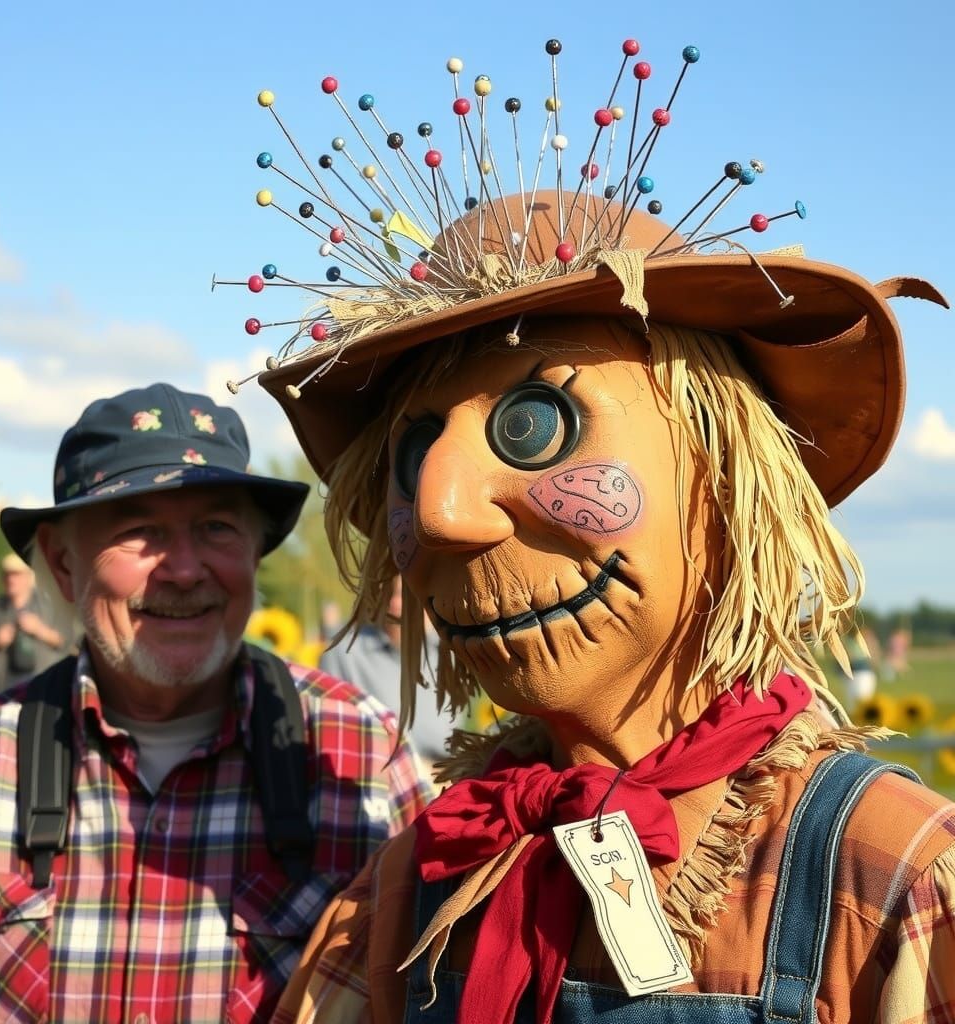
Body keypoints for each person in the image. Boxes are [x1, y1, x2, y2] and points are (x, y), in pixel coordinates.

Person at [245, 38, 954, 1024]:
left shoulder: (883, 872)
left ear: (725, 473)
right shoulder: (423, 871)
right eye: (413, 458)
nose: (444, 513)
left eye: (532, 425)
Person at [0, 382, 435, 1023]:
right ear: (62, 563)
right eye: (141, 532)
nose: (186, 569)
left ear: (254, 550)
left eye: (218, 528)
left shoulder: (361, 754)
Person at [320, 576, 451, 769]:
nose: (395, 602)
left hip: (446, 779)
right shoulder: (344, 655)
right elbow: (329, 736)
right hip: (376, 778)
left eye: (406, 594)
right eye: (389, 592)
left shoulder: (450, 654)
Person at [0, 552, 71, 697]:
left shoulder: (49, 604)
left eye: (16, 575)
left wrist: (40, 630)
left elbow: (70, 642)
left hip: (44, 693)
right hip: (3, 694)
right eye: (7, 575)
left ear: (28, 577)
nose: (11, 580)